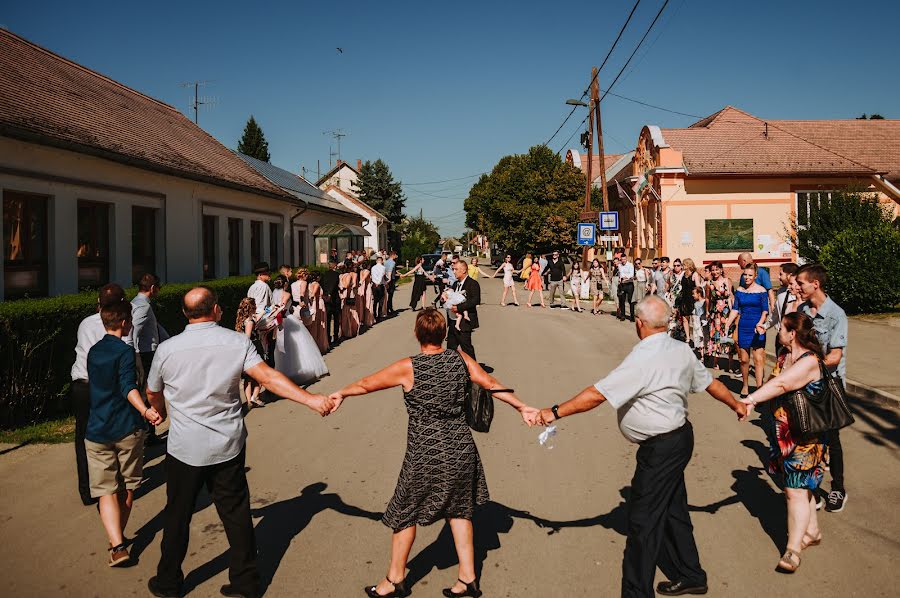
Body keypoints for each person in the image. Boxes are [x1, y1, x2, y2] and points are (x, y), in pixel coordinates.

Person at [536, 295, 748, 598]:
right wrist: (736, 405)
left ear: (639, 323)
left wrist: (552, 412)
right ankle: (692, 574)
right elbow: (710, 383)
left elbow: (597, 395)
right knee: (673, 509)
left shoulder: (642, 358)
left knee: (642, 522)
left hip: (661, 448)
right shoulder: (681, 349)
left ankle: (637, 592)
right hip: (678, 439)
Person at [327, 308, 540, 598]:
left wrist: (341, 393)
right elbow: (490, 384)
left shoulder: (409, 367)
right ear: (443, 333)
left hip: (425, 452)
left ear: (417, 334)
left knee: (405, 513)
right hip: (461, 446)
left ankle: (394, 580)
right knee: (460, 510)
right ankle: (467, 579)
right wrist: (522, 406)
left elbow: (366, 384)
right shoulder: (460, 358)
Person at [145, 287, 335, 598]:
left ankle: (168, 581)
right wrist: (311, 400)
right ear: (216, 310)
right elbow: (268, 378)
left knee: (177, 514)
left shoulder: (168, 349)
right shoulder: (236, 342)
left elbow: (153, 390)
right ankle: (246, 583)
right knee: (235, 513)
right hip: (227, 445)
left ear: (183, 313)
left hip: (184, 447)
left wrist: (160, 410)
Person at [740, 312, 830, 573]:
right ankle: (811, 530)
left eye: (781, 328)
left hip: (806, 437)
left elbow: (782, 384)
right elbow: (774, 380)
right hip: (784, 435)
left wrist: (750, 400)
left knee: (794, 491)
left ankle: (793, 550)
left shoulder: (810, 361)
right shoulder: (783, 356)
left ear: (792, 334)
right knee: (802, 487)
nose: (777, 331)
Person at [86, 301, 162, 567]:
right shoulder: (125, 352)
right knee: (127, 486)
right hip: (126, 427)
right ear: (123, 323)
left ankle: (117, 543)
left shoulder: (94, 351)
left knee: (106, 490)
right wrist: (146, 410)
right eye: (128, 320)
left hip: (96, 428)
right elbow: (128, 387)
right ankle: (117, 541)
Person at [71, 283, 133, 506]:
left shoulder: (86, 323)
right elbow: (129, 354)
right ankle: (114, 487)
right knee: (114, 433)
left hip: (82, 383)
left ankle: (88, 490)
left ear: (98, 303)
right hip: (107, 385)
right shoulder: (121, 323)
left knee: (83, 437)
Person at [796, 263, 849, 513]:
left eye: (801, 283)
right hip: (807, 383)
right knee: (811, 436)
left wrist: (807, 369)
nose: (797, 287)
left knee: (833, 439)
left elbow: (835, 356)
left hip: (830, 384)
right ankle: (814, 489)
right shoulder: (801, 311)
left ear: (815, 284)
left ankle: (838, 488)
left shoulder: (836, 315)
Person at [130, 273, 169, 445]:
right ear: (153, 288)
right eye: (158, 288)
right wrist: (133, 354)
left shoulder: (137, 303)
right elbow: (133, 332)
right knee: (149, 391)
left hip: (144, 353)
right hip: (145, 354)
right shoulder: (143, 307)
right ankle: (147, 434)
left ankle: (147, 432)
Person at [726, 263, 769, 398]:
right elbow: (735, 309)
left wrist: (760, 323)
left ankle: (759, 389)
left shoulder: (762, 291)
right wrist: (728, 323)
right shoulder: (739, 290)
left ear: (756, 276)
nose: (747, 277)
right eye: (745, 274)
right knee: (744, 359)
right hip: (743, 326)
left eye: (750, 275)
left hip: (757, 327)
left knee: (758, 359)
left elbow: (765, 311)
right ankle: (745, 386)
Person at [235, 298, 266, 408]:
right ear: (252, 307)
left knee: (248, 378)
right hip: (253, 348)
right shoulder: (249, 322)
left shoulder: (241, 320)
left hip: (246, 349)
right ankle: (255, 397)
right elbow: (247, 338)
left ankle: (248, 400)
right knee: (260, 375)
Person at [446, 260, 480, 359]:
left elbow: (475, 300)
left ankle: (472, 370)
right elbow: (451, 296)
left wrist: (459, 307)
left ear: (464, 270)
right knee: (450, 348)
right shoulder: (455, 284)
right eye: (453, 269)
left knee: (466, 347)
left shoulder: (472, 283)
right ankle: (451, 370)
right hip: (453, 321)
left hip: (465, 322)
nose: (454, 272)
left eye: (456, 269)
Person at [706, 260, 735, 372]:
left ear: (721, 270)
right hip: (716, 313)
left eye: (717, 269)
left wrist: (734, 311)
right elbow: (708, 298)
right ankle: (716, 361)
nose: (715, 272)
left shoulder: (727, 281)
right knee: (717, 336)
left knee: (729, 335)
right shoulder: (709, 284)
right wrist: (707, 311)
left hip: (727, 312)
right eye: (713, 270)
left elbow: (731, 296)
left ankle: (730, 364)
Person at [248, 262, 275, 365]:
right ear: (260, 275)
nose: (269, 275)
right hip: (263, 320)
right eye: (266, 273)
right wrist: (272, 309)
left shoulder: (252, 286)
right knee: (265, 348)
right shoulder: (263, 286)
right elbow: (262, 308)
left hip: (255, 319)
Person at [306, 272, 330, 354]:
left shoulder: (309, 284)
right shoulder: (316, 284)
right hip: (318, 304)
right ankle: (319, 344)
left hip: (313, 304)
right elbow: (313, 295)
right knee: (319, 323)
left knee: (314, 324)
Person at [321, 262, 341, 348]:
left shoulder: (324, 275)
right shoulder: (337, 275)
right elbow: (334, 285)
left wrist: (325, 294)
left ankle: (328, 338)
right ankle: (335, 337)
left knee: (328, 319)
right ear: (335, 266)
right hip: (334, 298)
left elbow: (322, 285)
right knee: (336, 318)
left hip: (326, 299)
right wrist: (330, 294)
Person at [617, 255, 635, 321]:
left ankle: (632, 316)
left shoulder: (630, 265)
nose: (623, 261)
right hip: (622, 284)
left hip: (629, 284)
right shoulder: (620, 265)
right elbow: (620, 273)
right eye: (622, 259)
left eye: (624, 259)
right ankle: (623, 316)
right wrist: (620, 278)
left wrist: (626, 277)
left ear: (626, 259)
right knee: (622, 300)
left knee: (631, 300)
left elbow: (631, 274)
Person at [371, 256, 387, 321]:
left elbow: (373, 276)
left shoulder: (373, 268)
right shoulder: (383, 268)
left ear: (376, 261)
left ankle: (374, 314)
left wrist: (375, 282)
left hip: (374, 285)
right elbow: (381, 275)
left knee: (375, 300)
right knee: (381, 300)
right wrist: (379, 282)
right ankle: (379, 314)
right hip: (380, 285)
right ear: (381, 261)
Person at [384, 251, 398, 315]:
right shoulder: (392, 262)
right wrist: (390, 278)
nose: (396, 256)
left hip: (386, 278)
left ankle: (387, 308)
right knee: (390, 294)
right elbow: (390, 270)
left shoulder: (386, 262)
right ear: (393, 255)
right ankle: (389, 308)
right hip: (391, 279)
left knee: (386, 295)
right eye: (395, 255)